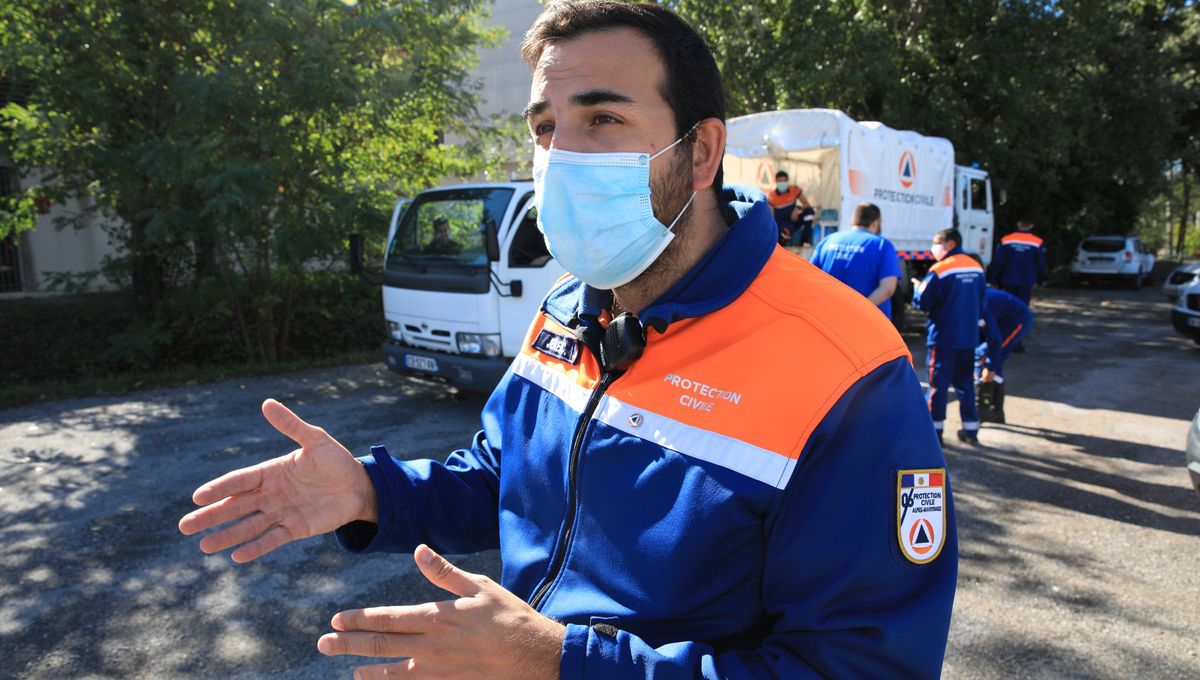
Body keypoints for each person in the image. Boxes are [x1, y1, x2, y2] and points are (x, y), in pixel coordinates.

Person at [178, 3, 956, 678]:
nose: (560, 158)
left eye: (603, 118)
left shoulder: (846, 363)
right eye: (545, 128)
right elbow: (504, 476)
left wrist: (561, 664)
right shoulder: (569, 306)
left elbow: (857, 665)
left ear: (702, 151)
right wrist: (372, 493)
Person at [913, 228, 987, 445]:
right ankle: (970, 430)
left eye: (937, 243)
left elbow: (923, 302)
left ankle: (934, 434)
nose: (933, 247)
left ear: (951, 244)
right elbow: (982, 301)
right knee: (965, 383)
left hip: (943, 337)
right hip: (968, 336)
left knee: (938, 385)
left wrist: (918, 289)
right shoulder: (976, 268)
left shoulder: (940, 270)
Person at [810, 201, 900, 319]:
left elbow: (810, 279)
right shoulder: (882, 245)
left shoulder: (828, 241)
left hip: (829, 318)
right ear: (875, 223)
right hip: (868, 322)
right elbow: (887, 289)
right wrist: (857, 312)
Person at [975, 288, 1034, 423]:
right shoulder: (970, 298)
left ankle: (986, 409)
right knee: (985, 357)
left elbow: (995, 340)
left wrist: (990, 366)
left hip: (1018, 321)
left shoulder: (979, 304)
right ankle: (995, 411)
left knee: (988, 357)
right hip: (1001, 321)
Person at [988, 219, 1046, 305]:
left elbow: (998, 261)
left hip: (1008, 278)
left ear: (1018, 224)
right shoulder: (1037, 242)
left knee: (1009, 304)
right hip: (1027, 280)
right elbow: (1041, 264)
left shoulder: (1006, 240)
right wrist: (1040, 280)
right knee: (1023, 306)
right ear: (1031, 226)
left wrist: (994, 280)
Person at [765, 170, 814, 245]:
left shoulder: (794, 189)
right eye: (780, 181)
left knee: (809, 212)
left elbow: (806, 204)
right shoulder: (772, 196)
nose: (782, 183)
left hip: (794, 219)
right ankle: (778, 249)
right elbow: (771, 217)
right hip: (782, 223)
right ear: (776, 182)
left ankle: (805, 241)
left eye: (784, 180)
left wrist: (798, 208)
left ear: (787, 181)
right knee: (785, 233)